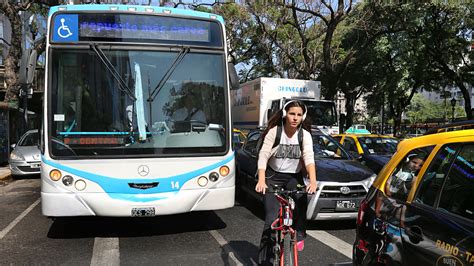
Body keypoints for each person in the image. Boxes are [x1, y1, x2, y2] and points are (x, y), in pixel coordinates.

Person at [255, 100, 318, 266]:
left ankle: (300, 233)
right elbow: (263, 156)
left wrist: (312, 181)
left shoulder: (304, 135)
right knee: (271, 219)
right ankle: (264, 261)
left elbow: (309, 158)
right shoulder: (275, 132)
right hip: (272, 176)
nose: (295, 118)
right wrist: (261, 180)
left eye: (298, 115)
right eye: (292, 114)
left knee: (302, 198)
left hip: (293, 177)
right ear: (285, 114)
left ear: (302, 117)